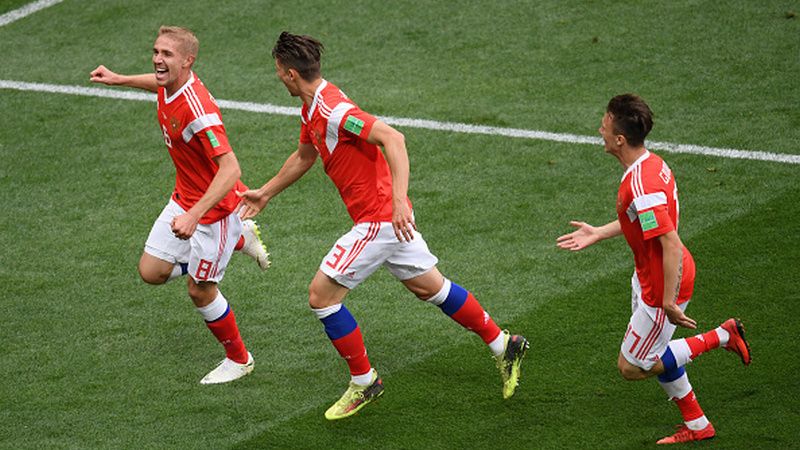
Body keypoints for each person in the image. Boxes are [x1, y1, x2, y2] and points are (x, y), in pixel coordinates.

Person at [237, 31, 529, 420]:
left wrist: (396, 201)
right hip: (385, 218)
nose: (276, 77)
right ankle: (503, 345)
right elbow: (305, 156)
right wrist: (267, 193)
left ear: (290, 74)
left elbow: (394, 139)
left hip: (380, 219)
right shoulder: (311, 110)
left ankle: (364, 381)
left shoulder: (334, 111)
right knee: (431, 286)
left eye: (277, 71)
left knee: (321, 297)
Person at [556, 94, 751, 444]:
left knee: (632, 366)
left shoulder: (641, 186)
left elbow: (671, 244)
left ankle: (722, 336)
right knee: (650, 351)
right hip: (650, 275)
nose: (599, 129)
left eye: (604, 124)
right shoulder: (648, 166)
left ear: (619, 139)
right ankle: (697, 424)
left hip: (663, 284)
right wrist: (599, 232)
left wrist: (666, 301)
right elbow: (646, 225)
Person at [89, 26, 271, 384]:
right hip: (185, 198)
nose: (158, 59)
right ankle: (239, 241)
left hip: (214, 212)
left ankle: (239, 358)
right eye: (156, 52)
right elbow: (158, 84)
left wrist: (195, 214)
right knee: (151, 272)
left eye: (167, 55)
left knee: (200, 289)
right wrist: (120, 79)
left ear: (188, 61)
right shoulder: (170, 83)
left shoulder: (197, 110)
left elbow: (231, 168)